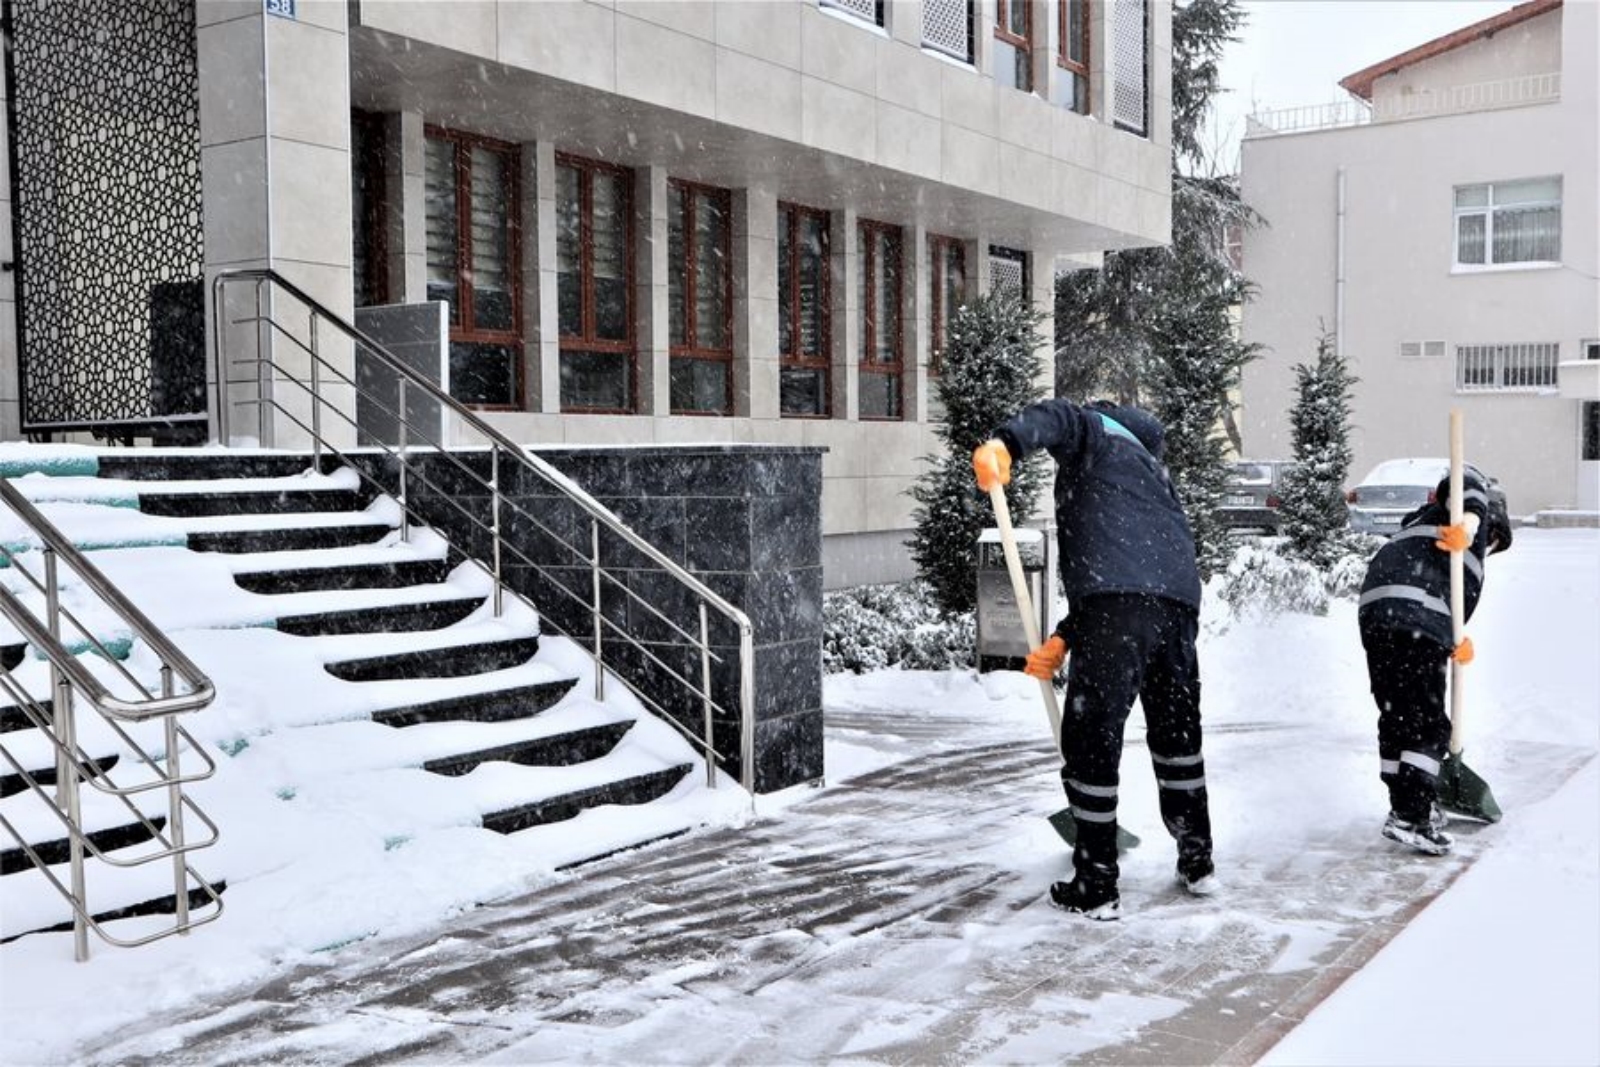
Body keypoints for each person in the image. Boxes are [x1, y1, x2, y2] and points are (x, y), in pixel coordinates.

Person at [973, 399, 1215, 922]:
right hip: (1175, 612)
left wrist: (1006, 442)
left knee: (1091, 740)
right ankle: (1198, 858)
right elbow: (1133, 574)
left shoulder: (1098, 431)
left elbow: (1057, 416)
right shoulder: (1154, 476)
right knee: (1177, 736)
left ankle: (1097, 881)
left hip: (1114, 610)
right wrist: (1065, 637)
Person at [1357, 468, 1512, 854]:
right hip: (1413, 617)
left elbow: (1449, 602)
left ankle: (1405, 806)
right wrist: (1474, 522)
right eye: (1493, 540)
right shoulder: (1458, 522)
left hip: (1379, 617)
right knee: (1427, 724)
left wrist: (1453, 641)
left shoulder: (1417, 531)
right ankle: (1413, 816)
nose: (1488, 548)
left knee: (1396, 717)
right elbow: (1464, 477)